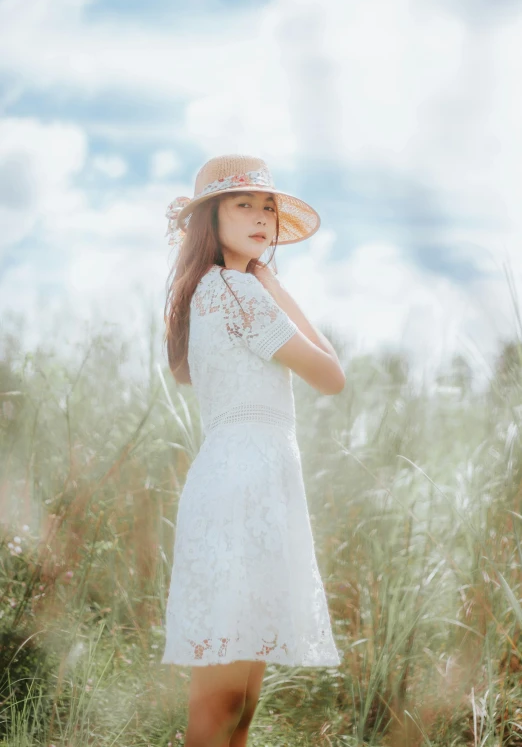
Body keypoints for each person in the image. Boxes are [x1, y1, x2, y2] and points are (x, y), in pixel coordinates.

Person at [161, 154, 345, 747]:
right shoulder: (232, 289)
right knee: (221, 701)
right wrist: (277, 287)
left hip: (257, 484)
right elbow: (331, 375)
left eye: (268, 206)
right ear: (207, 218)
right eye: (244, 204)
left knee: (240, 702)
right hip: (241, 488)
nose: (262, 216)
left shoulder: (217, 289)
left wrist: (268, 285)